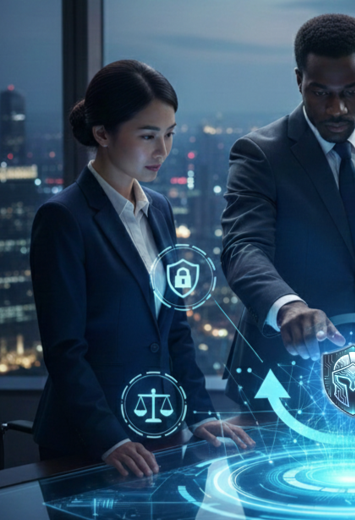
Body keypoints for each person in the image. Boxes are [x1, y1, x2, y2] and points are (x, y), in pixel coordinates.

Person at [30, 60, 255, 477]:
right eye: (148, 135)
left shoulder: (160, 210)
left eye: (168, 134)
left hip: (161, 432)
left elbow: (174, 329)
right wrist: (109, 438)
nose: (162, 151)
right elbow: (65, 350)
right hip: (90, 444)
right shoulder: (63, 218)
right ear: (102, 134)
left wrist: (200, 415)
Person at [220, 14, 355, 411]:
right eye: (320, 93)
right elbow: (243, 248)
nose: (336, 108)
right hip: (283, 380)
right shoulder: (261, 154)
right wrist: (288, 306)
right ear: (298, 79)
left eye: (351, 91)